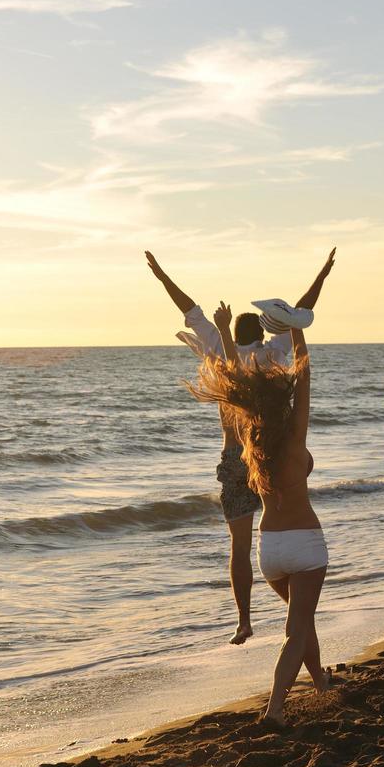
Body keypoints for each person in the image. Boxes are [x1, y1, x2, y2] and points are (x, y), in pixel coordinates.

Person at [145, 249, 335, 645]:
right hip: (272, 455)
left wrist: (162, 275)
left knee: (240, 546)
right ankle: (297, 607)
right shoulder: (273, 353)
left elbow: (189, 308)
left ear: (234, 332)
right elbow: (300, 312)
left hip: (235, 455)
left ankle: (244, 620)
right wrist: (323, 274)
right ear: (262, 334)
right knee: (284, 529)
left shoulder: (218, 346)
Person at [190, 307, 331, 727]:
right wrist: (297, 331)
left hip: (269, 551)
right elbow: (304, 379)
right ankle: (274, 708)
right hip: (305, 543)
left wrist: (221, 333)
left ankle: (321, 681)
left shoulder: (250, 439)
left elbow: (234, 376)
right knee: (295, 630)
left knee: (300, 623)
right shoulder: (294, 436)